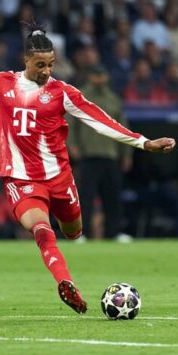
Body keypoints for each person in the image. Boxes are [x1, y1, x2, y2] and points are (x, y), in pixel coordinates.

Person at [0, 22, 176, 314]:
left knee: (73, 231)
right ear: (25, 61)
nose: (46, 71)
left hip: (59, 177)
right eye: (40, 65)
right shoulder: (3, 83)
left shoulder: (62, 92)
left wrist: (143, 142)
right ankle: (65, 282)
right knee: (40, 228)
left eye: (50, 64)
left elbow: (100, 121)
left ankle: (66, 244)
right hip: (20, 178)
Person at [68, 64, 132, 240]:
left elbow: (123, 127)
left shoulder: (113, 98)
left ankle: (114, 233)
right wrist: (71, 145)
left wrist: (126, 154)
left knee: (112, 197)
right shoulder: (80, 96)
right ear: (90, 77)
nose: (99, 79)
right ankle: (82, 233)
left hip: (110, 154)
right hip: (88, 154)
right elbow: (69, 124)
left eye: (102, 75)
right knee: (85, 198)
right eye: (96, 75)